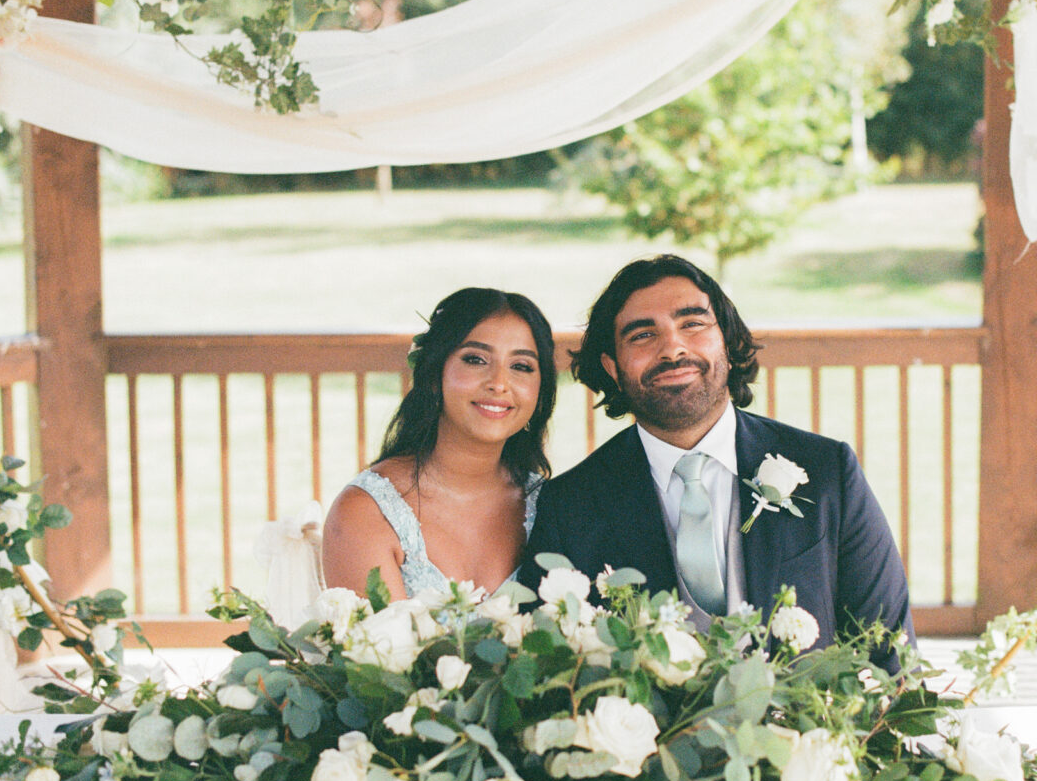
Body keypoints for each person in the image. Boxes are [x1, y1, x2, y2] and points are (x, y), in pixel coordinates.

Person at [519, 255, 914, 672]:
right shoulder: (571, 505)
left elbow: (891, 652)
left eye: (692, 324)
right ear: (612, 367)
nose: (672, 347)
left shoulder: (827, 471)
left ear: (726, 340)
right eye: (642, 335)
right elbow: (555, 670)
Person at [323, 288, 557, 600]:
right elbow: (375, 649)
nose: (499, 383)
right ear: (434, 375)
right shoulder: (365, 512)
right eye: (475, 359)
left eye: (521, 366)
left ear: (540, 393)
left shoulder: (553, 508)